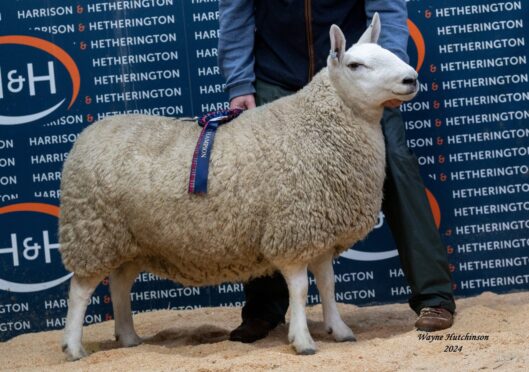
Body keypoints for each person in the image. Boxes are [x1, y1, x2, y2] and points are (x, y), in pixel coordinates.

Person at [218, 0, 456, 343]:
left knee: (397, 165)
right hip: (278, 76)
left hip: (355, 77)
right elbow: (237, 10)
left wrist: (384, 72)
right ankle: (263, 309)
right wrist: (240, 84)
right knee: (265, 183)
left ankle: (434, 298)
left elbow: (386, 8)